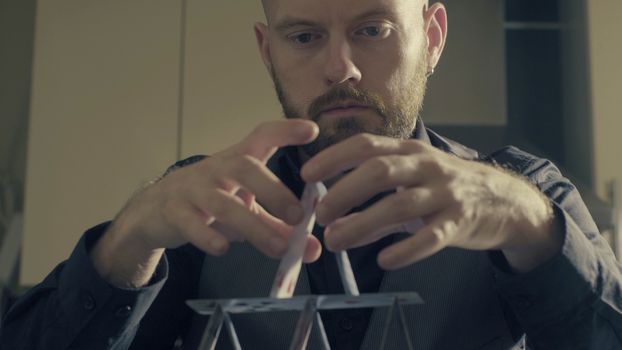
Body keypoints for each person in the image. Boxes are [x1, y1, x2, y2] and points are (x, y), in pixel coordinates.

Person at [2, 0, 621, 349]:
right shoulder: (203, 202)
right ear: (267, 50)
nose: (339, 68)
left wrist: (533, 226)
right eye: (303, 36)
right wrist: (127, 240)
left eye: (372, 30)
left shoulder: (527, 192)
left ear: (431, 36)